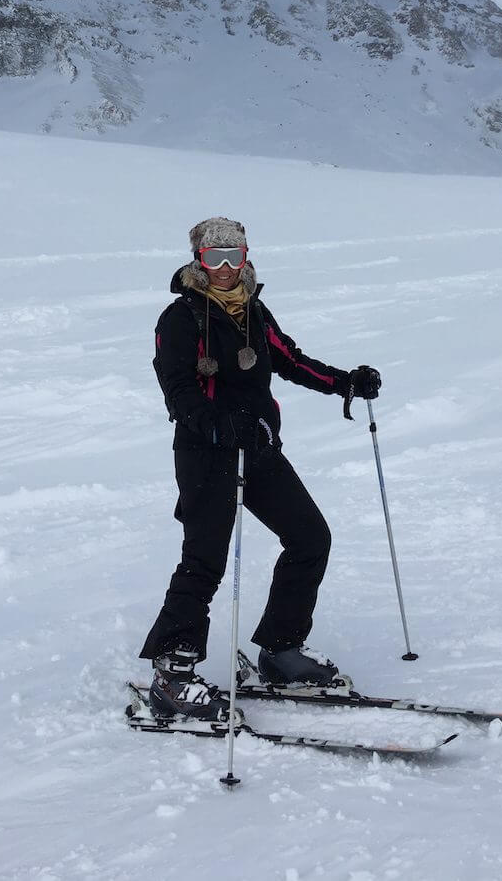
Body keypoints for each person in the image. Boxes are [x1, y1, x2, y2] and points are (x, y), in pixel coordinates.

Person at [140, 216, 381, 720]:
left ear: (247, 257)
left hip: (260, 449)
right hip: (206, 454)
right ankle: (171, 672)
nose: (225, 268)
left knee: (310, 537)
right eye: (214, 258)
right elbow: (178, 391)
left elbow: (290, 360)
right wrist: (217, 426)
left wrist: (344, 383)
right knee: (204, 559)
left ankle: (280, 649)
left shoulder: (254, 312)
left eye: (234, 257)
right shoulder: (179, 318)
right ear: (197, 262)